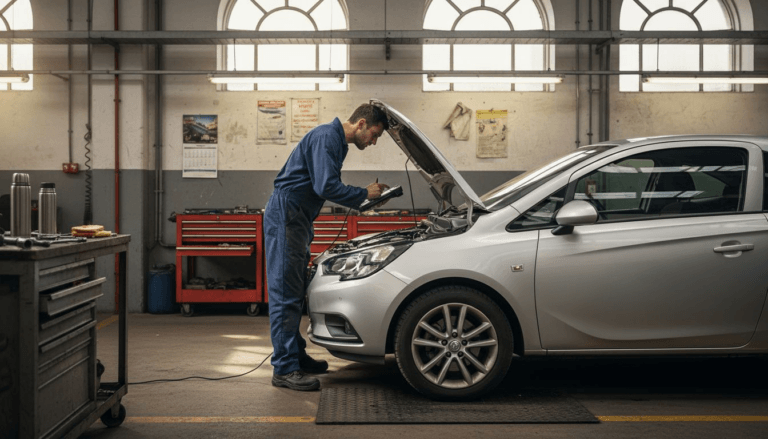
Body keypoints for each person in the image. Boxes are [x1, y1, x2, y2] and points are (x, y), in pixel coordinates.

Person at [264, 103, 390, 391]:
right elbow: (325, 186)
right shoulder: (326, 137)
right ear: (360, 124)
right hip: (287, 216)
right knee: (284, 293)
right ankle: (283, 369)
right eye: (374, 134)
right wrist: (363, 194)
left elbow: (323, 185)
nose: (372, 142)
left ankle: (293, 355)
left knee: (294, 291)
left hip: (298, 218)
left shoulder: (335, 143)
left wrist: (364, 197)